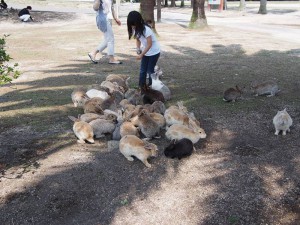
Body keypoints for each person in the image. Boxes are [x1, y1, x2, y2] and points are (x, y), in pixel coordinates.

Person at [127, 11, 160, 89]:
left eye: (133, 24)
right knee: (143, 70)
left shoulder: (147, 30)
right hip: (146, 52)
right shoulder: (135, 28)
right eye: (131, 24)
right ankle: (141, 86)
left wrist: (141, 55)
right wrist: (138, 49)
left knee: (150, 70)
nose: (133, 26)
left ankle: (153, 87)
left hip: (154, 52)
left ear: (138, 22)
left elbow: (149, 44)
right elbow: (138, 40)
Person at [88, 0, 122, 64]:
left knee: (107, 40)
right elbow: (95, 8)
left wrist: (116, 19)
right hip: (103, 19)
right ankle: (111, 59)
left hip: (109, 19)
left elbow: (111, 8)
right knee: (110, 39)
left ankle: (93, 53)